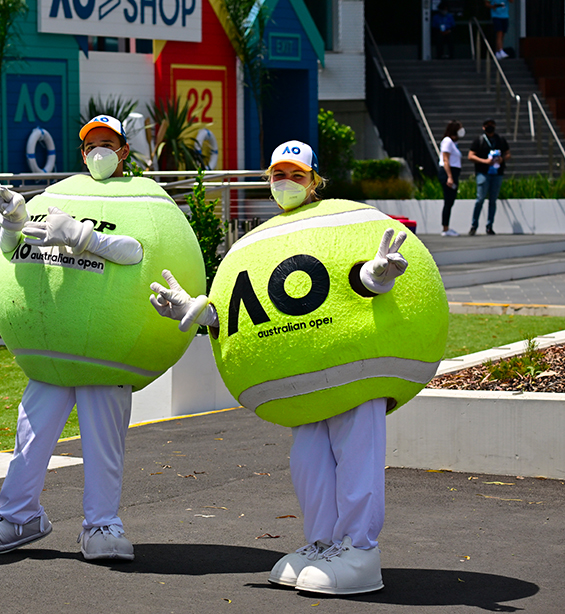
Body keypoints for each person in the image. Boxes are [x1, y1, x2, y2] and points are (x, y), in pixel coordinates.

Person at [151, 141, 413, 595]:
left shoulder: (339, 221)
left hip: (352, 358)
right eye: (276, 174)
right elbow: (251, 303)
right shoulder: (261, 237)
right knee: (308, 461)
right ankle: (323, 542)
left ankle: (360, 551)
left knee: (356, 455)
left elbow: (353, 276)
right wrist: (202, 313)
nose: (284, 182)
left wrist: (376, 276)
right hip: (303, 370)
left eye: (295, 174)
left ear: (315, 180)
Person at [0, 116, 152, 562]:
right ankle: (18, 516)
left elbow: (140, 251)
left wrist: (83, 237)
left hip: (107, 345)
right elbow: (16, 251)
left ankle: (102, 524)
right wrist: (12, 221)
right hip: (54, 341)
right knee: (31, 436)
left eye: (108, 144)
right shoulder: (62, 194)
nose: (99, 152)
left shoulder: (141, 198)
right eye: (91, 145)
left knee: (103, 442)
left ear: (124, 151)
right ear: (81, 152)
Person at [467, 118, 511, 235]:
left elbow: (508, 153)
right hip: (483, 172)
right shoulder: (479, 140)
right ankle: (474, 225)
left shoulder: (500, 140)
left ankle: (489, 226)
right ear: (483, 127)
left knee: (493, 201)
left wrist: (502, 159)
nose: (490, 127)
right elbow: (470, 156)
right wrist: (484, 161)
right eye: (487, 125)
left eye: (492, 125)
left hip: (497, 173)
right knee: (480, 199)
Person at [438, 121, 464, 236]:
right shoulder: (447, 141)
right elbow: (445, 160)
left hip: (453, 173)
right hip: (449, 173)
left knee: (451, 200)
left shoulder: (454, 143)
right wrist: (449, 176)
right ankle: (445, 228)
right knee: (448, 200)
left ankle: (446, 227)